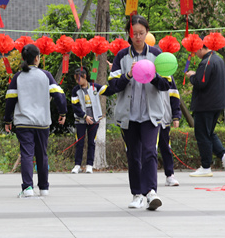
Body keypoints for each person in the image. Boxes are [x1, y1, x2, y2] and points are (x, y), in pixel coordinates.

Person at [109, 15, 170, 210]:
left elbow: (165, 85)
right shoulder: (121, 56)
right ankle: (137, 194)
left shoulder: (156, 54)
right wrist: (128, 75)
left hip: (151, 115)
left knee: (150, 152)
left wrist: (151, 75)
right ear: (129, 33)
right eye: (134, 33)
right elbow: (113, 86)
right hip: (129, 117)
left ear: (147, 33)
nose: (138, 37)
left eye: (141, 33)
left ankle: (151, 192)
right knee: (133, 155)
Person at [4, 43, 67, 197]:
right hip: (42, 122)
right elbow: (59, 95)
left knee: (26, 154)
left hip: (23, 123)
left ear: (23, 58)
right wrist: (63, 112)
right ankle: (44, 188)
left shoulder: (17, 77)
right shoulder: (46, 75)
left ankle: (27, 188)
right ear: (37, 58)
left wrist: (7, 120)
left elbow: (10, 100)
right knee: (42, 154)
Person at [185, 42, 225, 177]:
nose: (195, 53)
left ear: (202, 48)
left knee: (202, 134)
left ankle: (206, 166)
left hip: (204, 105)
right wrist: (197, 74)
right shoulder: (218, 59)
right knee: (209, 133)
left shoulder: (206, 62)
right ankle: (224, 157)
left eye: (196, 50)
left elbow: (200, 82)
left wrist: (191, 76)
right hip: (217, 104)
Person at [70, 66, 114, 174]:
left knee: (91, 142)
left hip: (94, 120)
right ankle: (77, 165)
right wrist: (84, 116)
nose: (77, 81)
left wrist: (112, 73)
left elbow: (109, 91)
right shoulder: (75, 90)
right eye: (76, 79)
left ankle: (89, 164)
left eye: (78, 78)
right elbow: (75, 106)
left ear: (85, 77)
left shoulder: (94, 87)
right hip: (81, 120)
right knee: (79, 142)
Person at [159, 75, 182, 186]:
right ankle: (143, 176)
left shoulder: (166, 72)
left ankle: (170, 175)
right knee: (147, 149)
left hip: (163, 118)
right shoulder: (143, 70)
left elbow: (174, 95)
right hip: (146, 119)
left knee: (165, 147)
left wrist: (176, 116)